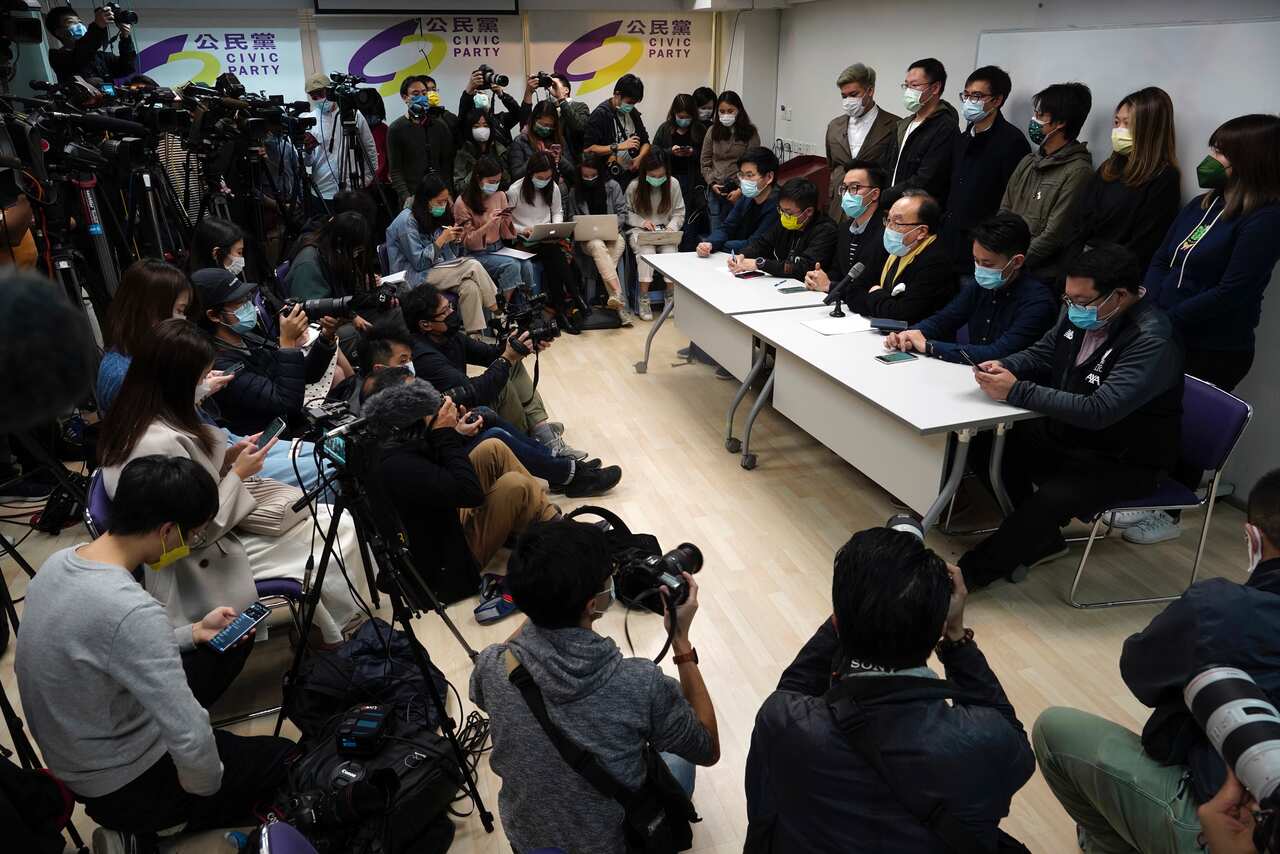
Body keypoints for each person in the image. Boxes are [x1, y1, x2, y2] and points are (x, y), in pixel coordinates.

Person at [14, 455, 295, 850]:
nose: (189, 544)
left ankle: (150, 818)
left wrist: (192, 632)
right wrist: (205, 786)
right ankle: (161, 828)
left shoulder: (60, 563)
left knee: (218, 657)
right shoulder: (130, 608)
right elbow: (188, 731)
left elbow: (105, 645)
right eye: (191, 535)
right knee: (285, 760)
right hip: (127, 784)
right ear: (166, 531)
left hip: (78, 764)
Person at [1033, 469, 1280, 854]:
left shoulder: (1219, 610)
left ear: (1251, 539)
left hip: (1231, 829)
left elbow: (1139, 671)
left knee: (1054, 731)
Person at [744, 527, 1034, 852]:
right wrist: (956, 635)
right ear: (939, 625)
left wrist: (859, 601)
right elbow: (1017, 744)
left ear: (838, 624)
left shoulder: (786, 724)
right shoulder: (985, 740)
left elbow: (792, 690)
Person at [98, 319, 366, 644]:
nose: (206, 384)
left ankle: (326, 625)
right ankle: (334, 632)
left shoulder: (142, 416)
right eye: (200, 378)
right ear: (176, 383)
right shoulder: (155, 442)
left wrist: (226, 459)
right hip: (194, 561)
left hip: (211, 531)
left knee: (326, 516)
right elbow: (191, 533)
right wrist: (237, 473)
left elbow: (189, 483)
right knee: (336, 528)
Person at [470, 518, 719, 853]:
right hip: (610, 845)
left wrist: (543, 602)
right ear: (593, 604)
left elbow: (488, 680)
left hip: (529, 844)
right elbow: (707, 749)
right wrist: (680, 641)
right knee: (675, 760)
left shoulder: (492, 666)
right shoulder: (639, 684)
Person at [958, 243, 1183, 589]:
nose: (1073, 307)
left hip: (1124, 459)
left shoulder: (1151, 340)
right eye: (1068, 299)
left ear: (1119, 296)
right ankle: (1039, 537)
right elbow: (1047, 349)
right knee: (984, 441)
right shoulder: (1084, 309)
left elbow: (1100, 409)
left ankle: (966, 576)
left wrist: (1016, 390)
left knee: (1050, 499)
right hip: (1071, 435)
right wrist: (1007, 365)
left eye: (1081, 301)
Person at [1118, 113, 1280, 546]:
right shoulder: (1204, 203)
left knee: (1188, 429)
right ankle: (1143, 491)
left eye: (1221, 152)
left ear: (1251, 160)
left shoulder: (1263, 219)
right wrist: (1147, 301)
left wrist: (1168, 317)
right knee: (1153, 419)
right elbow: (1161, 257)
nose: (1211, 159)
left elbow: (1233, 291)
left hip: (1213, 343)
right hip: (1165, 328)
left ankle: (1170, 511)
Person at [364, 374, 561, 606]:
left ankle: (553, 522)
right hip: (449, 566)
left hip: (441, 524)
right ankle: (557, 534)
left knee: (493, 448)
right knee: (515, 485)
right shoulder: (397, 463)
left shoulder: (388, 438)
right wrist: (445, 435)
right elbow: (470, 494)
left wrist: (454, 433)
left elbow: (430, 472)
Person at [400, 283, 587, 459]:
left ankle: (541, 432)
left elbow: (490, 354)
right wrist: (507, 358)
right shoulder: (424, 356)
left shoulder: (449, 336)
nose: (452, 313)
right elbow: (472, 392)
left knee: (512, 365)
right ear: (425, 324)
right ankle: (531, 441)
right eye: (445, 311)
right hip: (457, 420)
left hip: (469, 401)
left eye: (450, 306)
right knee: (502, 377)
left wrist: (523, 342)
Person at [1040, 86, 1182, 287]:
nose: (1119, 130)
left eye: (1127, 124)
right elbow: (1079, 224)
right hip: (1078, 269)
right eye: (1117, 122)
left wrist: (1094, 281)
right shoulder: (1110, 167)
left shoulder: (1164, 178)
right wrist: (1068, 272)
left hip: (1111, 280)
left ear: (1148, 129)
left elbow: (1142, 246)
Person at [885, 212, 1056, 363]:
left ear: (1017, 261)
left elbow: (998, 353)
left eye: (987, 263)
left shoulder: (1038, 303)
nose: (980, 268)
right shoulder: (980, 285)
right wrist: (911, 334)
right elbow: (945, 319)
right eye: (976, 260)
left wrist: (930, 346)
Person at [192, 268, 337, 437]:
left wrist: (326, 336)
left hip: (290, 427)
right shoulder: (218, 364)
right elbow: (286, 403)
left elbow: (305, 375)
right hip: (265, 444)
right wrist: (287, 344)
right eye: (239, 302)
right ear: (214, 316)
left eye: (247, 298)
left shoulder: (247, 337)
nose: (249, 305)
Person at [940, 66, 1030, 275]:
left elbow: (1011, 199)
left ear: (997, 100)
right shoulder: (963, 138)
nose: (969, 102)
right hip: (949, 238)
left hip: (982, 246)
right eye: (967, 95)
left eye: (977, 96)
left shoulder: (1012, 142)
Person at [385, 173, 500, 334]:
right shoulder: (405, 221)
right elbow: (419, 263)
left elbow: (449, 257)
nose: (444, 205)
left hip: (435, 270)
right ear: (426, 200)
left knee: (470, 287)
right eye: (440, 202)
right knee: (472, 265)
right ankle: (497, 309)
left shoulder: (430, 215)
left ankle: (474, 339)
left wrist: (455, 241)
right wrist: (442, 240)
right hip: (412, 278)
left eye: (446, 201)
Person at [1000, 82, 1094, 273]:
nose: (1034, 120)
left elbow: (1054, 234)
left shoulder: (1078, 171)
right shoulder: (1028, 161)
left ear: (1061, 123)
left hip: (1037, 272)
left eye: (1040, 115)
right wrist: (997, 252)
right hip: (1006, 262)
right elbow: (1005, 209)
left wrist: (1014, 264)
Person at [844, 188, 955, 321]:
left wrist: (875, 293)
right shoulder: (893, 247)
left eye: (896, 222)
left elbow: (903, 315)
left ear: (922, 232)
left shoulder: (935, 262)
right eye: (888, 220)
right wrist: (884, 303)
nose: (889, 228)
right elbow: (853, 293)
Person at [507, 152, 586, 331]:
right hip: (524, 241)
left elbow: (557, 211)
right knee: (555, 254)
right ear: (530, 174)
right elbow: (507, 221)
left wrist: (556, 227)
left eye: (548, 177)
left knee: (554, 256)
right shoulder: (514, 190)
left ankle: (560, 310)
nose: (544, 181)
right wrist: (522, 230)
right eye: (540, 177)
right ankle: (573, 300)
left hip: (546, 237)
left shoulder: (553, 187)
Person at [802, 159, 888, 307]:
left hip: (869, 309)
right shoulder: (844, 229)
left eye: (855, 188)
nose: (848, 194)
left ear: (874, 194)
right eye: (844, 188)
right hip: (843, 305)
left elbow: (869, 284)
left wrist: (830, 286)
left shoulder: (886, 232)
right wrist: (818, 279)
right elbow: (838, 271)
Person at [824, 63, 899, 219]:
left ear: (870, 91)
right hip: (838, 207)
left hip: (873, 208)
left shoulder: (894, 126)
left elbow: (893, 171)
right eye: (844, 96)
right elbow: (832, 166)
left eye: (853, 94)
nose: (848, 100)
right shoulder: (834, 126)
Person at [728, 177, 836, 284]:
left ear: (808, 211)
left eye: (788, 212)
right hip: (783, 283)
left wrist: (761, 264)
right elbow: (763, 243)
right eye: (781, 210)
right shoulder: (785, 223)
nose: (784, 216)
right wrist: (742, 256)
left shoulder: (826, 230)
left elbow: (802, 268)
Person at [883, 58, 960, 205]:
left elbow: (927, 179)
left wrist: (885, 197)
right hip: (893, 206)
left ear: (935, 87)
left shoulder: (945, 127)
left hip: (918, 210)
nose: (908, 91)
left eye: (914, 85)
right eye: (906, 85)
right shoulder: (904, 124)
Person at [565, 155, 630, 318]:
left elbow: (623, 213)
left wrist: (614, 226)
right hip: (588, 240)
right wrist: (580, 225)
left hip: (614, 236)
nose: (589, 179)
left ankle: (616, 298)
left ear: (599, 173)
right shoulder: (574, 192)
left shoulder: (613, 186)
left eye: (592, 175)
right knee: (597, 245)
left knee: (604, 256)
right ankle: (618, 298)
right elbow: (571, 218)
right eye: (585, 176)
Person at [627, 149, 687, 320]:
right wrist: (642, 222)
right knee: (646, 255)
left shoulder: (673, 184)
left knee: (670, 253)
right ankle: (643, 299)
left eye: (661, 175)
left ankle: (670, 296)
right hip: (641, 231)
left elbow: (679, 212)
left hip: (666, 230)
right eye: (653, 175)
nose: (657, 179)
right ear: (645, 172)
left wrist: (672, 227)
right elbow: (627, 213)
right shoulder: (634, 186)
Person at [303, 73, 378, 200]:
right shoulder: (307, 120)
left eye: (321, 94)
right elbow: (307, 162)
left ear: (330, 90)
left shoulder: (354, 115)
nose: (319, 99)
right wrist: (308, 150)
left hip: (352, 190)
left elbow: (369, 147)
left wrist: (367, 178)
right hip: (322, 190)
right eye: (313, 97)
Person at [697, 147, 781, 258]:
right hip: (738, 258)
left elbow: (756, 243)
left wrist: (720, 246)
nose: (744, 180)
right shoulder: (748, 197)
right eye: (742, 175)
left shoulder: (779, 205)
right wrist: (709, 243)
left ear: (769, 177)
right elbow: (727, 227)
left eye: (750, 175)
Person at [388, 75, 457, 207]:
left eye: (424, 93)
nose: (421, 97)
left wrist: (448, 194)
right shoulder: (396, 128)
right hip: (412, 197)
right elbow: (395, 170)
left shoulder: (439, 126)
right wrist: (407, 198)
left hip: (439, 196)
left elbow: (447, 166)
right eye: (415, 93)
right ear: (404, 97)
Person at [701, 91, 761, 232]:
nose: (725, 115)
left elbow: (754, 164)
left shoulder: (750, 133)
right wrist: (712, 183)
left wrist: (741, 189)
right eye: (721, 111)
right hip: (716, 190)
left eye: (730, 111)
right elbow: (705, 161)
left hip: (739, 191)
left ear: (738, 110)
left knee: (736, 231)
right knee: (716, 231)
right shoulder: (712, 131)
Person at [583, 73, 651, 189]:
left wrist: (639, 159)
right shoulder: (601, 114)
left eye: (634, 103)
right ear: (617, 94)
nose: (631, 106)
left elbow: (646, 142)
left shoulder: (633, 113)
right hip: (609, 178)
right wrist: (618, 146)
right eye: (629, 102)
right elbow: (588, 149)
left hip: (632, 175)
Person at [654, 93, 708, 233]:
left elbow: (707, 155)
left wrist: (692, 153)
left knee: (689, 221)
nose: (684, 120)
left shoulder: (700, 130)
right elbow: (654, 153)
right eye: (681, 117)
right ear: (674, 113)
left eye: (688, 117)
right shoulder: (665, 129)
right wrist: (670, 152)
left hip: (692, 181)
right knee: (668, 217)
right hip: (668, 179)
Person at [44, 4, 136, 85]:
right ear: (59, 32)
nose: (79, 25)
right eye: (71, 22)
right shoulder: (58, 57)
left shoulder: (101, 57)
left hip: (111, 103)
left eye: (79, 22)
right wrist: (98, 26)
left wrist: (125, 37)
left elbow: (127, 68)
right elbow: (82, 54)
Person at [519, 73, 589, 155]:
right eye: (548, 87)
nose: (550, 90)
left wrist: (561, 99)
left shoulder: (580, 107)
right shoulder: (547, 110)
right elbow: (526, 126)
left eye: (554, 86)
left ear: (566, 90)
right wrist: (529, 92)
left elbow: (579, 128)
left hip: (572, 160)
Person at [509, 100, 575, 181]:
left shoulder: (559, 140)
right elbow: (516, 176)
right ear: (533, 121)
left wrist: (559, 159)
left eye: (550, 125)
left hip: (559, 189)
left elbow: (574, 173)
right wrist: (537, 158)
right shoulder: (520, 141)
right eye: (542, 124)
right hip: (530, 190)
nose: (545, 128)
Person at [459, 67, 522, 145]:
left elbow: (519, 114)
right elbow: (462, 115)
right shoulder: (468, 122)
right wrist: (469, 91)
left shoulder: (501, 119)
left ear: (489, 100)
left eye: (483, 94)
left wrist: (502, 95)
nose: (481, 97)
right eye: (477, 93)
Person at [454, 110, 511, 194]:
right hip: (472, 200)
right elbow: (459, 188)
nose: (481, 129)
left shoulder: (499, 150)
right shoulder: (463, 154)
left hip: (496, 199)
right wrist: (477, 169)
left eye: (485, 126)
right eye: (476, 126)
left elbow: (508, 181)